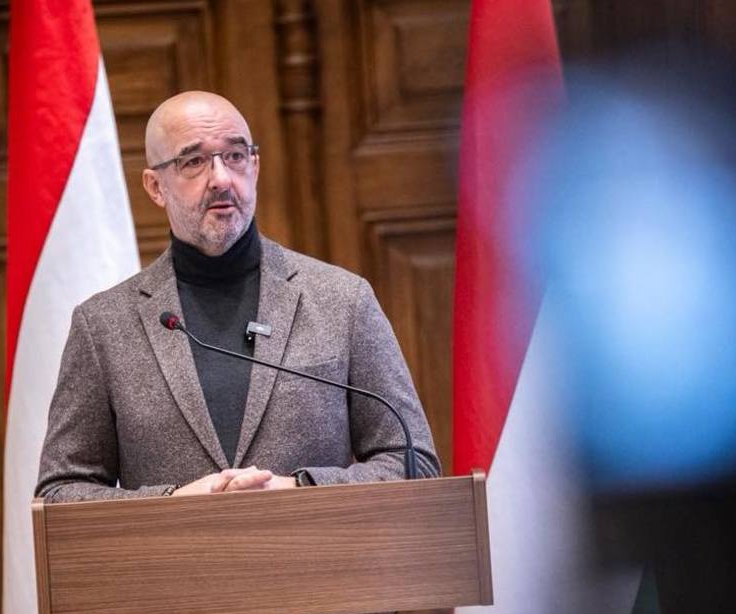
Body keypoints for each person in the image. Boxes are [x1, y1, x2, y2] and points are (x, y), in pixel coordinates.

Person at [35, 91, 440, 502]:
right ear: (155, 187)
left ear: (255, 166)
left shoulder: (343, 301)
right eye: (193, 161)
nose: (222, 179)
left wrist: (298, 488)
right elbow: (59, 492)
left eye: (235, 156)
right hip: (179, 546)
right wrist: (172, 502)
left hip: (312, 545)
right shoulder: (103, 326)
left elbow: (413, 463)